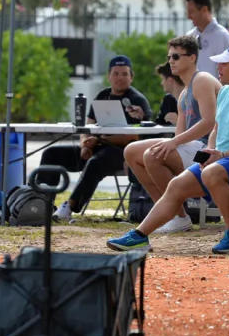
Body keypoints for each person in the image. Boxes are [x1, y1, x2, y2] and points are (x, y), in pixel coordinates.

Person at [107, 45, 229, 254]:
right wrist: (210, 151)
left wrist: (221, 155)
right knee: (176, 185)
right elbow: (216, 128)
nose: (218, 67)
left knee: (212, 171)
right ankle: (140, 236)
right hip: (222, 158)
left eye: (224, 63)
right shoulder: (226, 92)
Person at [123, 36, 221, 234]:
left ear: (192, 57)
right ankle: (173, 213)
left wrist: (173, 143)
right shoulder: (184, 93)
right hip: (194, 147)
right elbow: (180, 134)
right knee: (131, 151)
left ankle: (177, 216)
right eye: (169, 57)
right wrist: (173, 144)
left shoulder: (202, 80)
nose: (171, 61)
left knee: (152, 154)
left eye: (176, 56)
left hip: (211, 149)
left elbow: (209, 122)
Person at [37, 55, 152, 222]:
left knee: (96, 162)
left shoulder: (137, 100)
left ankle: (70, 206)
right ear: (109, 76)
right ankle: (41, 204)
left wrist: (98, 141)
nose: (120, 78)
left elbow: (133, 137)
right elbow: (88, 125)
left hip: (123, 154)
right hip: (97, 147)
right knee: (52, 154)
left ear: (131, 77)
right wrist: (85, 144)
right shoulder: (102, 95)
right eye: (116, 73)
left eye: (125, 74)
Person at [186, 0, 229, 77]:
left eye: (191, 12)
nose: (188, 17)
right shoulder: (189, 36)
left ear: (204, 9)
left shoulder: (223, 36)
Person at [154, 62, 184, 127]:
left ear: (170, 80)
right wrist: (142, 117)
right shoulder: (168, 100)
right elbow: (156, 126)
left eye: (162, 79)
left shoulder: (193, 98)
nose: (161, 83)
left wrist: (179, 122)